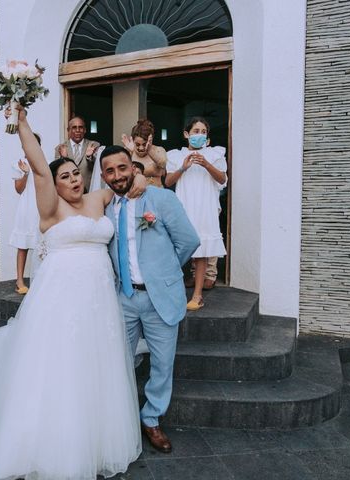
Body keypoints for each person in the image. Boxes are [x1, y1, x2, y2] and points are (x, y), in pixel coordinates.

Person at [0, 107, 148, 479]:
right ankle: (56, 442)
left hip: (99, 296)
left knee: (97, 360)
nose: (73, 180)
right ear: (54, 185)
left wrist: (139, 175)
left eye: (76, 174)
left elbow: (127, 182)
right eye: (65, 176)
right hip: (61, 297)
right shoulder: (50, 208)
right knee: (60, 361)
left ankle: (97, 436)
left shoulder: (99, 199)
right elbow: (40, 166)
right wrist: (23, 123)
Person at [101, 145, 199, 453]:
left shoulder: (160, 198)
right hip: (124, 297)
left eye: (122, 168)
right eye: (110, 171)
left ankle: (152, 417)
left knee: (162, 363)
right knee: (120, 361)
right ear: (103, 176)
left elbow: (188, 241)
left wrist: (166, 272)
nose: (117, 176)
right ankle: (123, 416)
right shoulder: (104, 208)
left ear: (133, 168)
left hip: (160, 296)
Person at [165, 117, 227, 310]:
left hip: (204, 206)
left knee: (202, 251)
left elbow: (223, 179)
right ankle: (173, 293)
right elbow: (168, 182)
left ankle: (197, 295)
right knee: (176, 249)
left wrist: (206, 164)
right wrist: (183, 167)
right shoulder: (176, 156)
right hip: (184, 205)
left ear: (207, 137)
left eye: (203, 132)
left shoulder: (215, 154)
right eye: (195, 131)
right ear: (186, 134)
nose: (199, 135)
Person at [10, 133, 42, 294]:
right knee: (23, 244)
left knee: (43, 244)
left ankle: (41, 278)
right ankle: (20, 280)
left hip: (42, 207)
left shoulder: (46, 163)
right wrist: (26, 173)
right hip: (27, 207)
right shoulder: (19, 163)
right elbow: (18, 189)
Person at [54, 115, 101, 191]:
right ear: (68, 130)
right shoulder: (60, 148)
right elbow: (57, 172)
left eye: (80, 127)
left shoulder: (94, 145)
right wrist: (64, 158)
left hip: (89, 191)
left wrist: (89, 157)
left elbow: (99, 167)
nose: (78, 130)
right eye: (74, 127)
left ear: (85, 130)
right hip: (68, 192)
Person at [122, 119, 168, 188]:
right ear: (133, 140)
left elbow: (162, 163)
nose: (141, 148)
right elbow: (122, 172)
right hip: (135, 193)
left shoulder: (158, 150)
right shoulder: (129, 151)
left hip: (156, 193)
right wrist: (129, 152)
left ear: (150, 140)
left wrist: (150, 151)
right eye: (137, 144)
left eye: (144, 144)